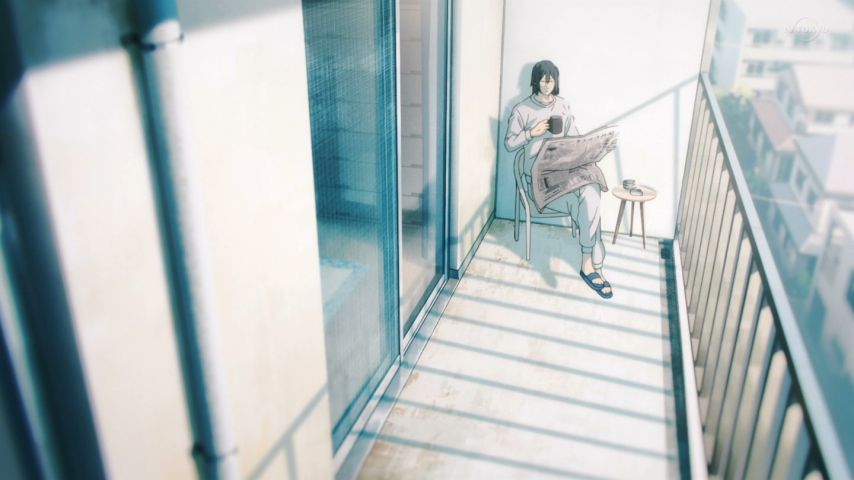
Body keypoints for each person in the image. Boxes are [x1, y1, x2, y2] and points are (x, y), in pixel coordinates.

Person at [504, 59, 612, 299]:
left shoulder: (563, 106)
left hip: (564, 171)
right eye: (543, 80)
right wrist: (531, 133)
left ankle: (587, 262)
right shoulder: (522, 110)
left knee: (591, 190)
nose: (547, 85)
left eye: (550, 80)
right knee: (587, 206)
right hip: (540, 181)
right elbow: (509, 144)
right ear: (535, 81)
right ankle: (595, 264)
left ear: (555, 82)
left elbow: (573, 137)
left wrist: (589, 149)